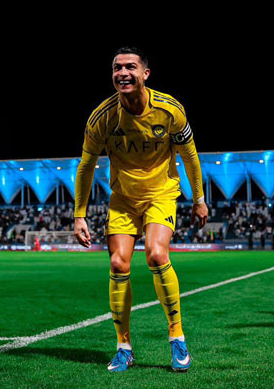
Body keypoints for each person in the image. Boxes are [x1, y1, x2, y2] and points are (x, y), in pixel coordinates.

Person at [73, 46, 208, 373]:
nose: (122, 73)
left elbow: (189, 155)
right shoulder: (102, 117)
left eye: (130, 67)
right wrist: (79, 214)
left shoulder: (170, 110)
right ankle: (124, 347)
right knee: (118, 263)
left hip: (161, 193)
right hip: (123, 198)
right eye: (117, 67)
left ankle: (177, 337)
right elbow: (86, 165)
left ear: (145, 73)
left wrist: (199, 199)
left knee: (156, 255)